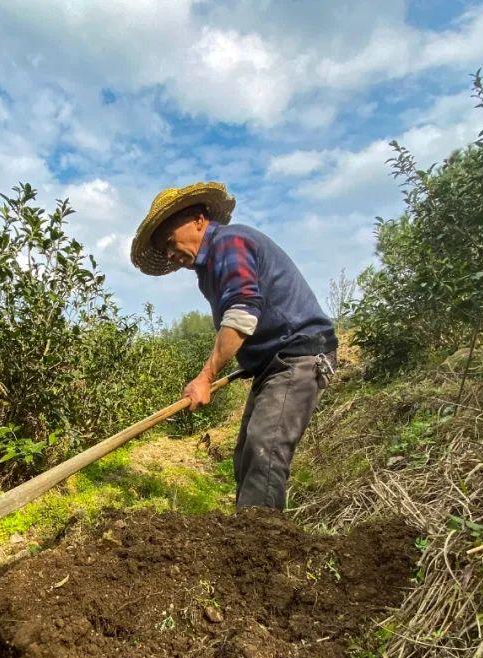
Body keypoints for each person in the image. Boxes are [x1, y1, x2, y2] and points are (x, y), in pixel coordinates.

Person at [130, 181, 338, 510]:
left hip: (299, 356)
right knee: (245, 457)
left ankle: (265, 551)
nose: (170, 254)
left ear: (198, 219)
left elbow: (242, 314)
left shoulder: (229, 242)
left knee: (263, 451)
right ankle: (246, 537)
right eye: (164, 251)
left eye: (170, 242)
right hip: (273, 364)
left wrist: (205, 376)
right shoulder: (208, 268)